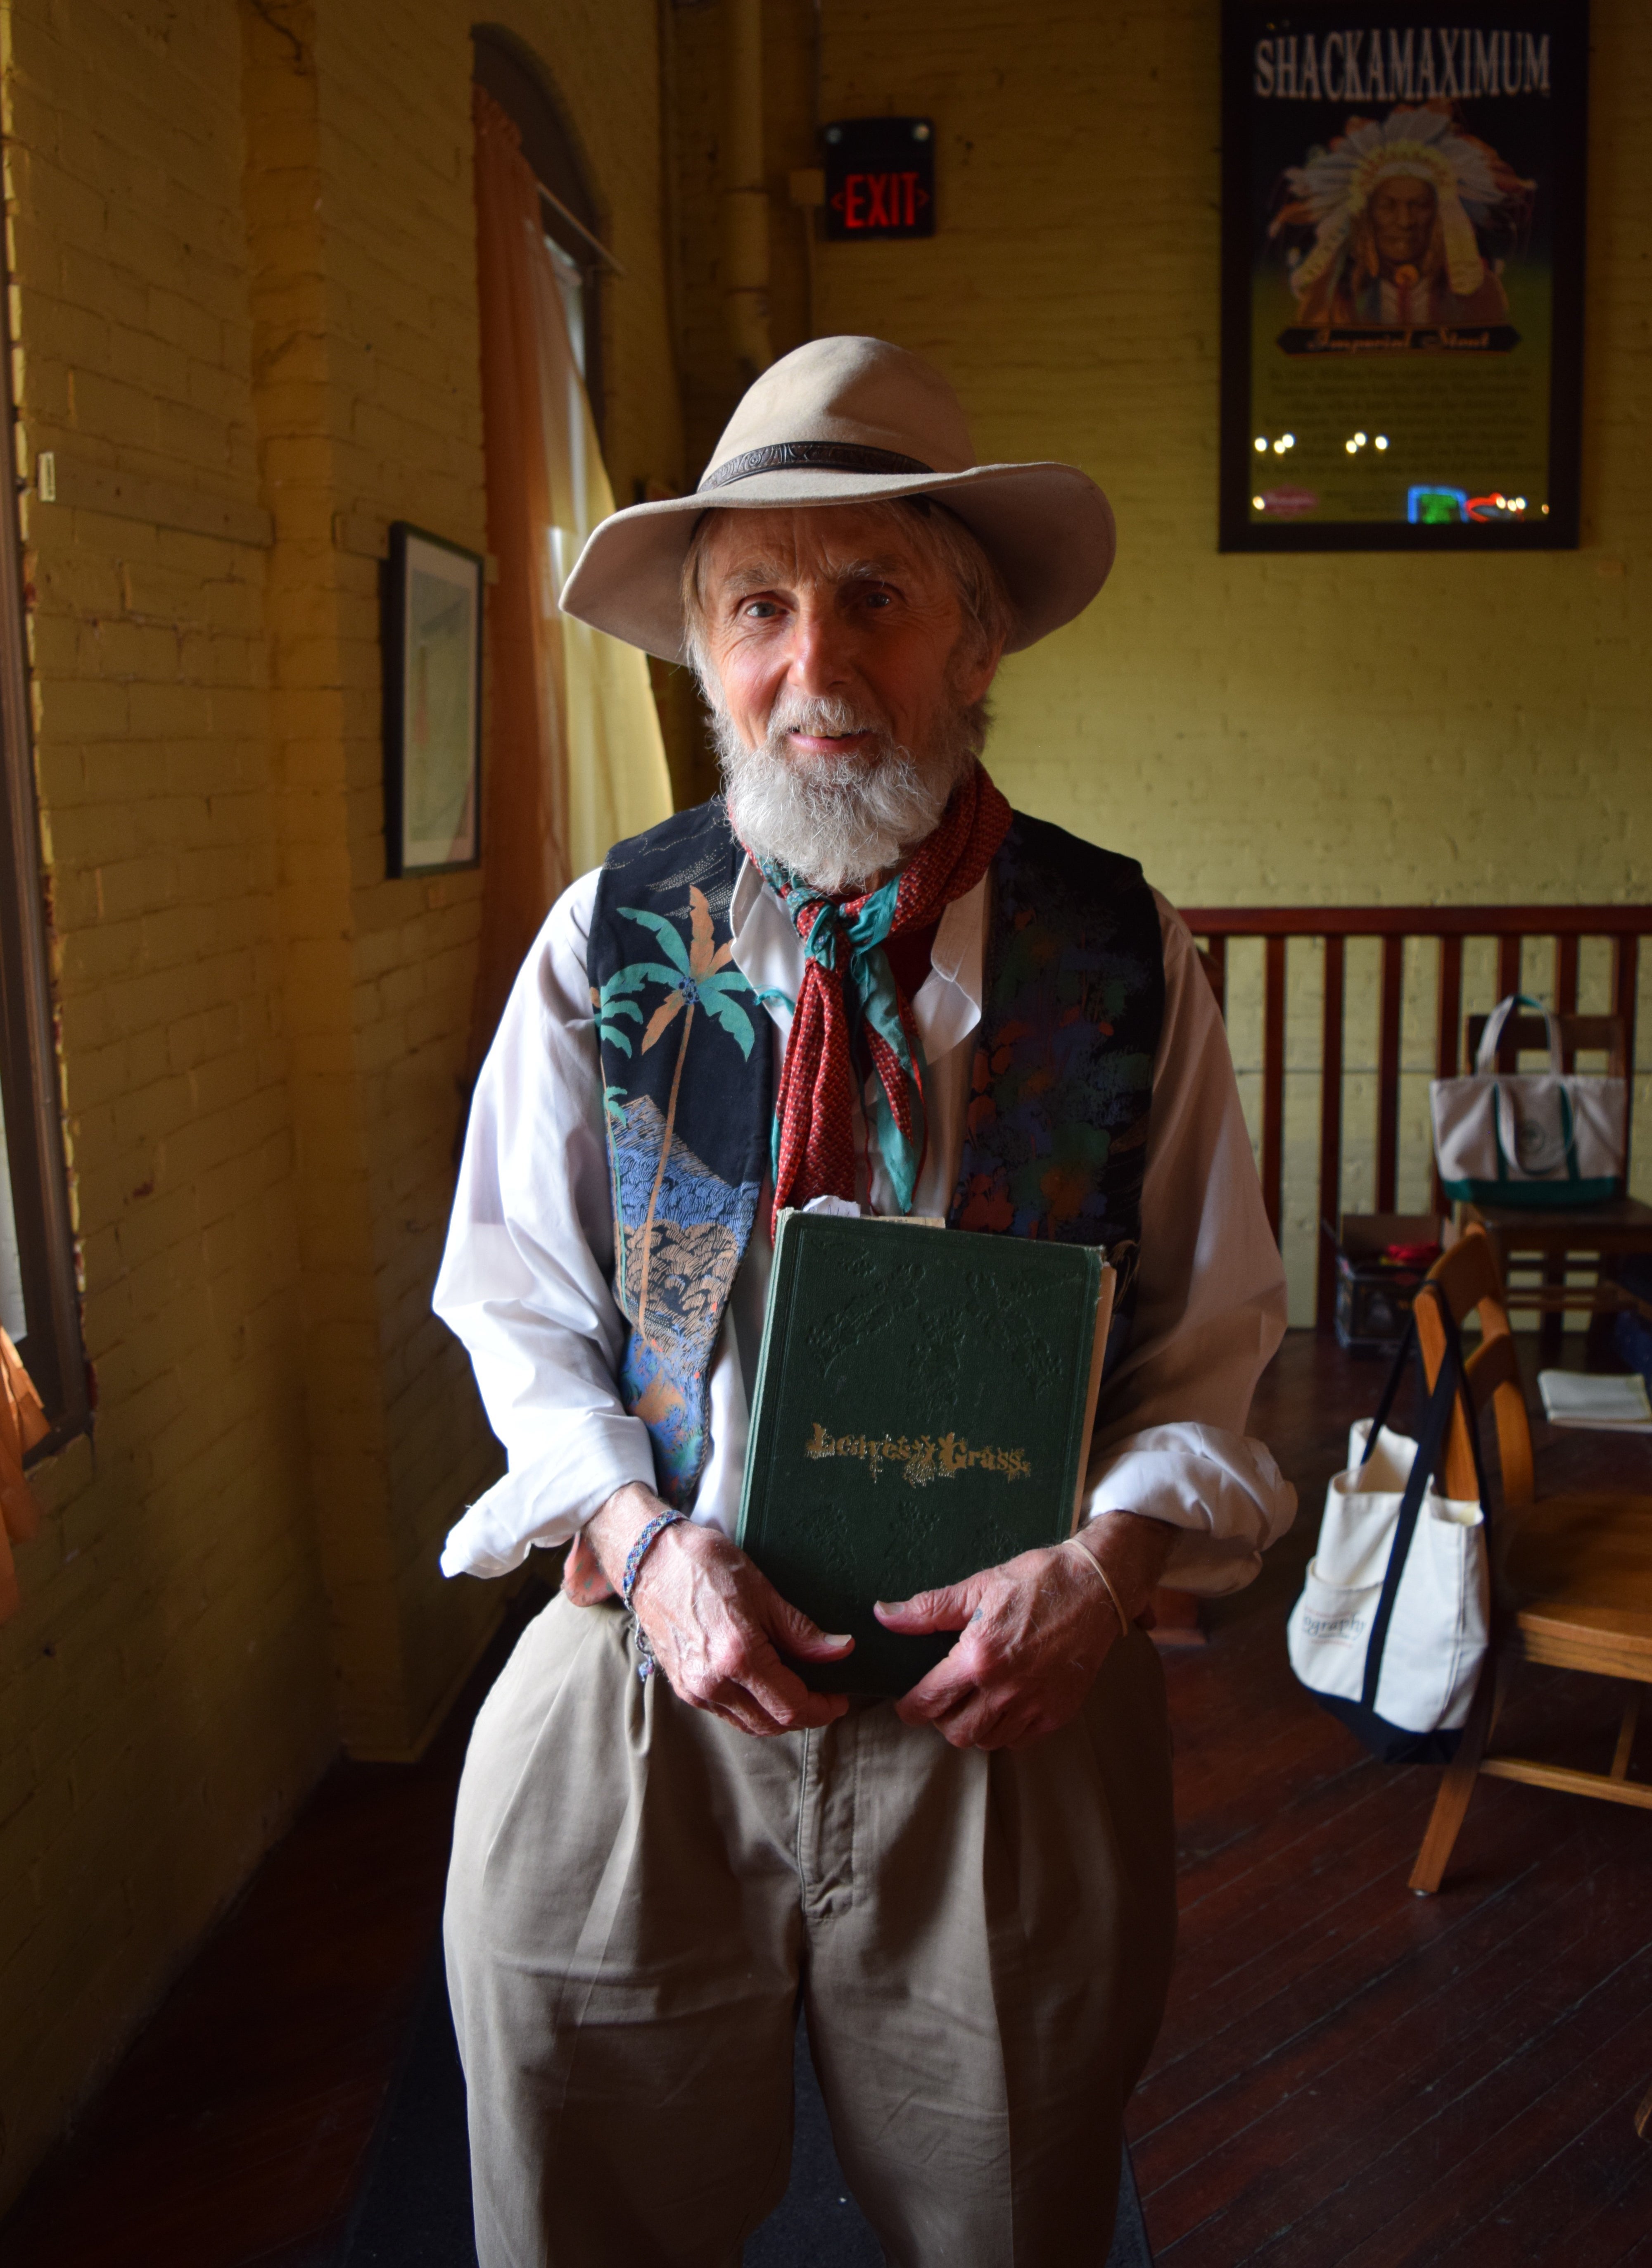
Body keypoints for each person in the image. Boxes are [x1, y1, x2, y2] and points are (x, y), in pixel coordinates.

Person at [435, 334, 1296, 2268]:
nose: (811, 668)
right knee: (578, 2218)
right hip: (647, 1679)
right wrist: (648, 1549)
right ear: (705, 649)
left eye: (873, 598)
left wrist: (1103, 1567)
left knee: (1010, 2219)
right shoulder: (610, 939)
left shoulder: (1118, 951)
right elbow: (515, 1307)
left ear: (973, 644)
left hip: (1005, 1699)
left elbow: (1215, 1345)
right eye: (758, 605)